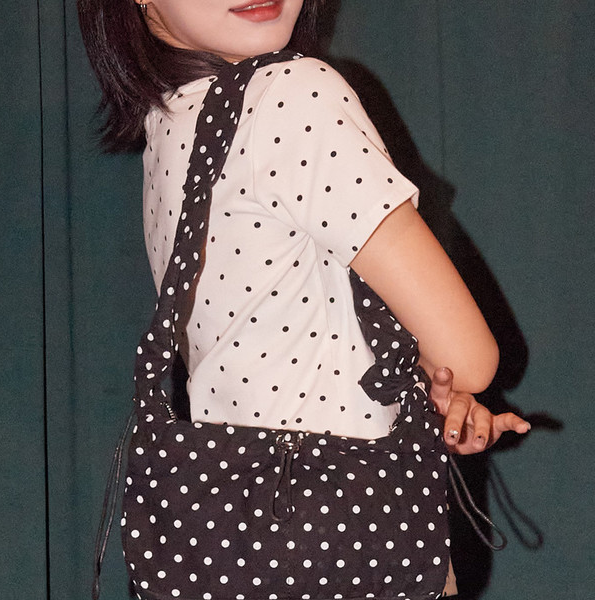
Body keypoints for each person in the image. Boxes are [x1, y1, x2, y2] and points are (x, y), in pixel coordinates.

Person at [78, 0, 530, 596]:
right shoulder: (291, 95)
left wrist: (424, 396)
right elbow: (469, 359)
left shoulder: (173, 121)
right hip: (346, 539)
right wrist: (448, 377)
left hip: (234, 545)